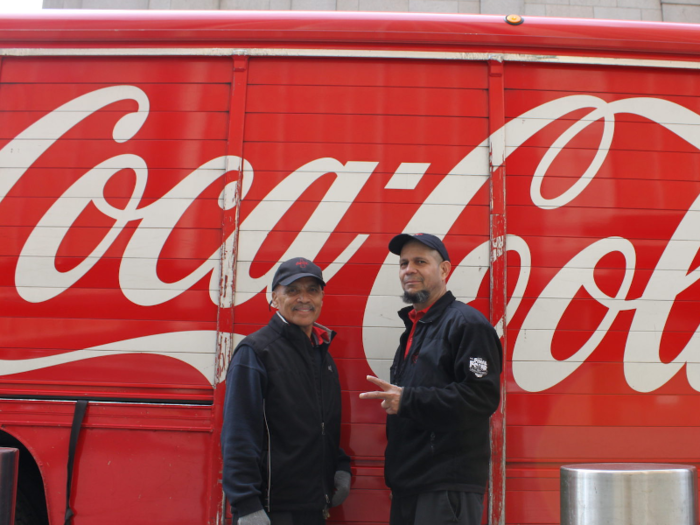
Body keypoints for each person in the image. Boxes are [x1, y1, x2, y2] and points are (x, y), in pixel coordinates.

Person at [360, 233, 502, 525]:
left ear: (445, 269)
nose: (408, 270)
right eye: (403, 263)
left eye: (420, 261)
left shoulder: (467, 324)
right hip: (410, 484)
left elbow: (481, 397)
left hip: (445, 487)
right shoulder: (415, 326)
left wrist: (408, 399)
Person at [221, 257, 351, 525]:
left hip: (313, 506)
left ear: (322, 298)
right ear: (274, 298)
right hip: (270, 510)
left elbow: (324, 424)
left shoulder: (322, 355)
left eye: (312, 290)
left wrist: (339, 467)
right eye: (292, 290)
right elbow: (237, 434)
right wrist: (246, 505)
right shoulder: (256, 352)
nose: (304, 298)